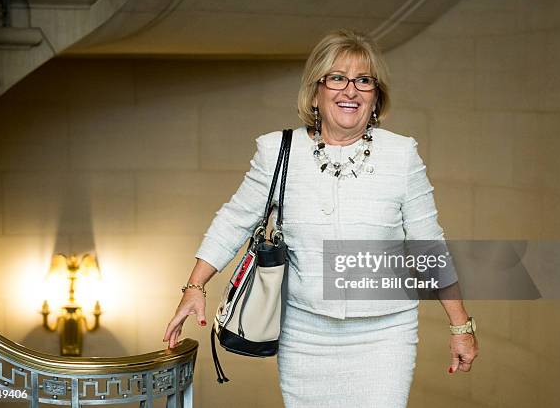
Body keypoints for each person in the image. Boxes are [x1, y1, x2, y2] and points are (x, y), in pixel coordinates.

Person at [163, 29, 478, 407]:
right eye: (337, 78)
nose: (351, 91)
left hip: (385, 335)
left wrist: (460, 325)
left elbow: (429, 243)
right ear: (316, 91)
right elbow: (234, 220)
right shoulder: (278, 151)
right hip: (305, 334)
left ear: (376, 96)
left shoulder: (401, 155)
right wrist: (194, 287)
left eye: (364, 80)